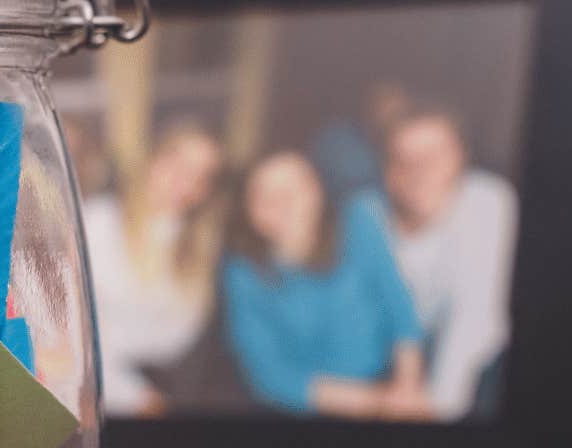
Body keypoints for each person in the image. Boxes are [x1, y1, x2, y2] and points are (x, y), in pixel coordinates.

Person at [220, 150, 429, 419]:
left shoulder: (357, 221)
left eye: (294, 189)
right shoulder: (241, 270)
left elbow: (399, 308)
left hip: (389, 381)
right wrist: (376, 402)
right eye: (265, 195)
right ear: (248, 210)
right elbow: (269, 375)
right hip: (308, 405)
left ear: (316, 191)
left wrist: (407, 387)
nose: (282, 203)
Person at [356, 107, 517, 421]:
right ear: (386, 169)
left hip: (475, 372)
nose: (418, 171)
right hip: (388, 367)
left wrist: (435, 413)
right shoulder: (366, 211)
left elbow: (473, 320)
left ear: (460, 158)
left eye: (433, 157)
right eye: (402, 159)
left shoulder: (487, 201)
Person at [82, 121, 223, 415]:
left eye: (201, 176)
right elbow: (72, 332)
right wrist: (135, 395)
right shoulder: (97, 222)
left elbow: (174, 342)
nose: (185, 182)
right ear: (151, 159)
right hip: (86, 385)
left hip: (149, 386)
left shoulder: (198, 251)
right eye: (176, 162)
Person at [310, 79, 414, 203]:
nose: (389, 112)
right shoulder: (336, 141)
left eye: (397, 108)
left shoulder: (411, 146)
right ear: (369, 104)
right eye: (383, 102)